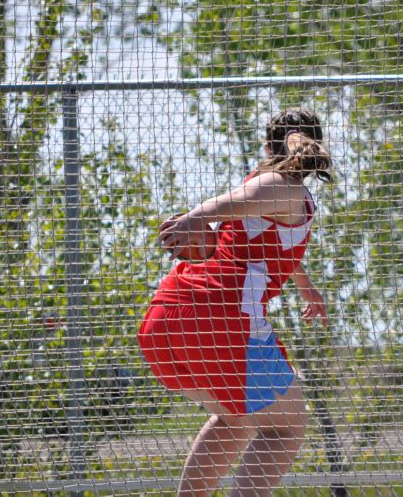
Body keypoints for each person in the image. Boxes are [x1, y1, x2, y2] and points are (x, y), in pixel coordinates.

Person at [138, 108, 332, 496]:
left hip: (168, 316)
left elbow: (261, 242)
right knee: (287, 426)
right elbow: (240, 199)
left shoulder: (281, 193)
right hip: (223, 323)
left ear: (267, 146)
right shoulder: (281, 185)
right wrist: (195, 216)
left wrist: (304, 284)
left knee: (235, 418)